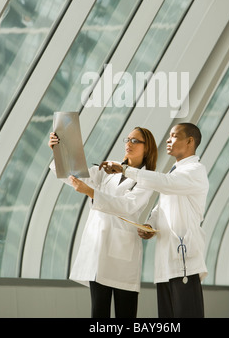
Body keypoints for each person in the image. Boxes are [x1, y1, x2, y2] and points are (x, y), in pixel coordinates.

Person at [100, 122, 209, 318]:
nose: (168, 140)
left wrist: (125, 170)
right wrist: (150, 224)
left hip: (184, 263)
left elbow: (166, 184)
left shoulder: (195, 170)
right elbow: (162, 206)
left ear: (190, 141)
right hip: (166, 264)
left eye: (174, 136)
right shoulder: (175, 171)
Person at [48, 126, 157, 318]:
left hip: (123, 253)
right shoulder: (107, 170)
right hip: (99, 251)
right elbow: (74, 175)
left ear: (147, 148)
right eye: (128, 139)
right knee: (98, 313)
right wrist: (58, 151)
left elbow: (127, 206)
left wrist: (90, 192)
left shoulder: (147, 179)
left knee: (126, 314)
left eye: (135, 141)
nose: (128, 144)